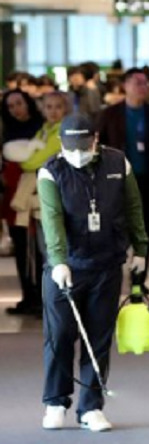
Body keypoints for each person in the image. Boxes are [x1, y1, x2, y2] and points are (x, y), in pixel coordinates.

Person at [38, 114, 148, 432]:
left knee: (98, 337)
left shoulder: (118, 163)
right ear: (61, 143)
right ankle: (56, 401)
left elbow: (133, 208)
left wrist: (140, 248)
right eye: (70, 148)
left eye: (83, 147)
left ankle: (91, 407)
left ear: (95, 139)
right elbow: (52, 219)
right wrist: (59, 260)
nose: (77, 154)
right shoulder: (51, 171)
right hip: (66, 267)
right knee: (60, 335)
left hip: (106, 263)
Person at [96, 68, 149, 285]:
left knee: (145, 232)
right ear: (125, 86)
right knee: (116, 230)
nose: (143, 87)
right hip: (117, 182)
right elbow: (98, 146)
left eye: (145, 83)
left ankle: (138, 281)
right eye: (138, 83)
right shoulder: (110, 114)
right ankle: (112, 277)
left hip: (147, 181)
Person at [8, 92, 70, 319]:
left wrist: (26, 159)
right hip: (42, 199)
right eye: (49, 107)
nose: (53, 111)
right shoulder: (45, 130)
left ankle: (59, 301)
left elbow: (33, 161)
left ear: (66, 109)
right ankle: (50, 301)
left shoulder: (60, 132)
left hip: (56, 197)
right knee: (46, 252)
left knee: (54, 251)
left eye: (58, 107)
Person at [2, 89, 45, 316]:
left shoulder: (41, 128)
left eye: (19, 103)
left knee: (37, 249)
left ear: (28, 103)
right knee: (20, 247)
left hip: (35, 195)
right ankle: (27, 296)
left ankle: (40, 297)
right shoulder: (5, 131)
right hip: (13, 197)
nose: (16, 109)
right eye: (10, 106)